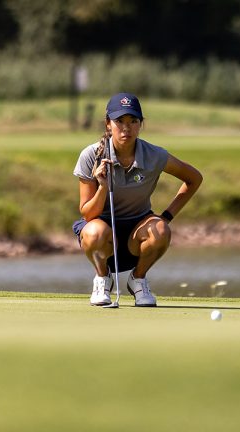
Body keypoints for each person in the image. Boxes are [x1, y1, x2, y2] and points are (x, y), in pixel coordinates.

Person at [72, 92, 202, 307]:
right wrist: (103, 186)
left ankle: (138, 279)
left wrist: (166, 217)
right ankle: (103, 279)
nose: (126, 128)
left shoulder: (154, 155)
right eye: (119, 121)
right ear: (108, 124)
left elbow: (194, 179)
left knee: (161, 230)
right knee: (94, 233)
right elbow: (87, 213)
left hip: (138, 229)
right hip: (102, 229)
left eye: (133, 121)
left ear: (141, 124)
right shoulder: (91, 155)